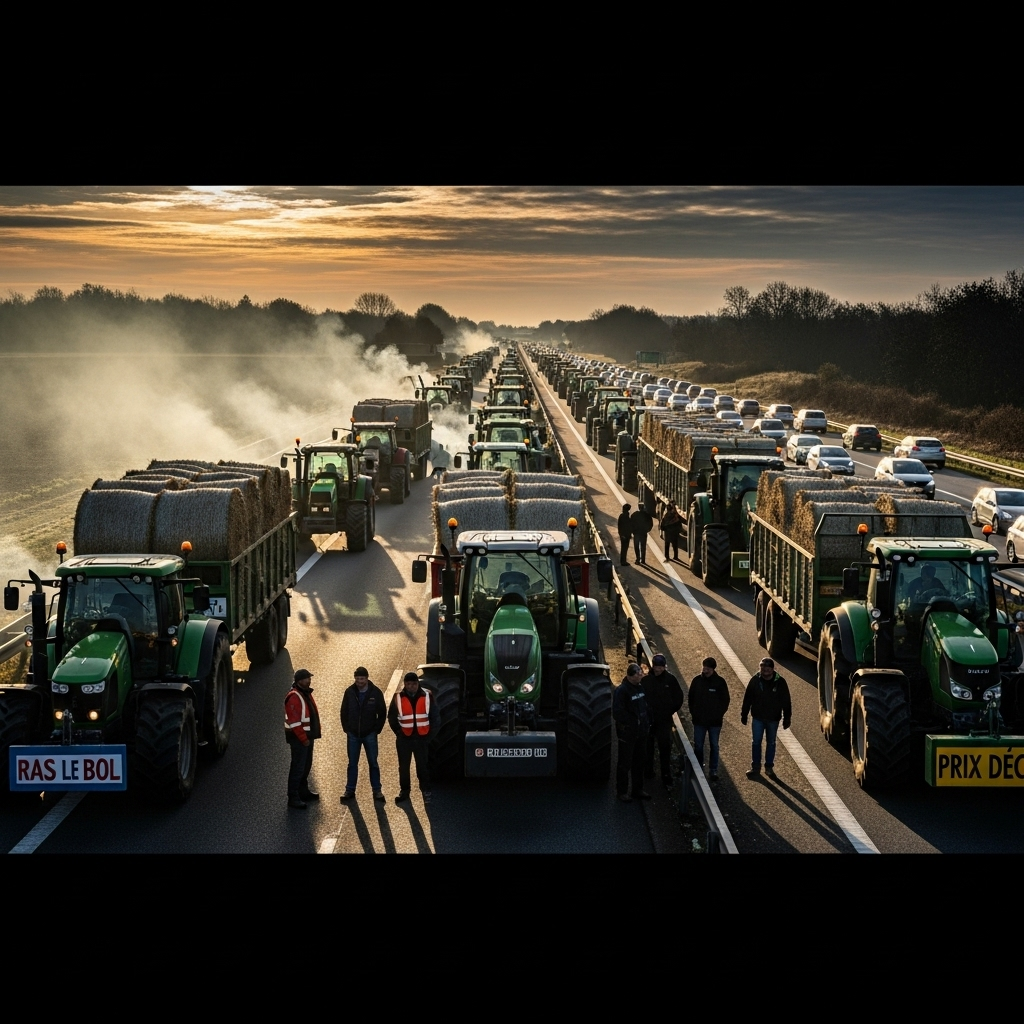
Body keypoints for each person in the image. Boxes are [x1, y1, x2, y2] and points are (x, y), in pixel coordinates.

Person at [388, 671, 439, 803]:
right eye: (408, 684)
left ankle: (426, 790)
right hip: (404, 739)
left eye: (414, 684)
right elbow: (392, 718)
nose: (411, 686)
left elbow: (435, 718)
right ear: (405, 684)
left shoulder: (427, 696)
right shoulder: (398, 697)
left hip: (422, 739)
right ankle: (405, 791)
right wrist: (399, 733)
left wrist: (429, 737)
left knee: (422, 767)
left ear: (418, 684)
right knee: (403, 767)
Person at [339, 666, 387, 802]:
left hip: (369, 734)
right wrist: (346, 728)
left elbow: (382, 713)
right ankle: (349, 790)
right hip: (353, 734)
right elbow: (344, 711)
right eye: (358, 678)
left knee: (373, 763)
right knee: (352, 763)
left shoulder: (375, 692)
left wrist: (376, 729)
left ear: (367, 678)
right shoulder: (349, 692)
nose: (360, 681)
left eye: (362, 678)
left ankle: (377, 790)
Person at [740, 657, 792, 780]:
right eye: (763, 668)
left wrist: (787, 718)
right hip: (757, 717)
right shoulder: (755, 681)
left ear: (772, 669)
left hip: (773, 719)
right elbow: (747, 698)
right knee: (756, 742)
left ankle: (769, 767)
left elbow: (786, 701)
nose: (765, 671)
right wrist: (744, 714)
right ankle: (755, 767)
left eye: (768, 669)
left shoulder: (780, 682)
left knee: (771, 743)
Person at [612, 663, 651, 802]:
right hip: (628, 734)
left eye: (641, 673)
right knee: (624, 763)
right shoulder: (622, 691)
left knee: (639, 762)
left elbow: (645, 707)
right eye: (638, 674)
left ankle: (637, 789)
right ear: (630, 676)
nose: (641, 676)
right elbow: (617, 712)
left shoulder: (640, 687)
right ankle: (622, 791)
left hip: (641, 732)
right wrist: (632, 722)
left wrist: (646, 722)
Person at [644, 654, 684, 785]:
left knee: (665, 747)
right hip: (649, 720)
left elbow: (679, 697)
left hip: (664, 720)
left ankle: (665, 774)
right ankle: (648, 770)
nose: (658, 670)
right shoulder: (646, 681)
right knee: (648, 747)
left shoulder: (670, 680)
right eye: (656, 667)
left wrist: (670, 710)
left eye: (660, 667)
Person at [284, 669, 321, 809]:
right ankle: (293, 797)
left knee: (306, 766)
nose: (309, 680)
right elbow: (294, 722)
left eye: (309, 678)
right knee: (298, 768)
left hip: (307, 737)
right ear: (299, 681)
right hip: (299, 739)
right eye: (306, 678)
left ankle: (303, 791)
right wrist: (303, 738)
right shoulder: (294, 696)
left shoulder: (304, 692)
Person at [688, 657, 730, 781]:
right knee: (698, 746)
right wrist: (694, 713)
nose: (705, 670)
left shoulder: (720, 682)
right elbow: (691, 698)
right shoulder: (696, 681)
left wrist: (718, 714)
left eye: (708, 668)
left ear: (713, 669)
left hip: (714, 723)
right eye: (704, 667)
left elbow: (725, 701)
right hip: (699, 721)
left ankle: (713, 770)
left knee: (714, 746)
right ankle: (698, 768)